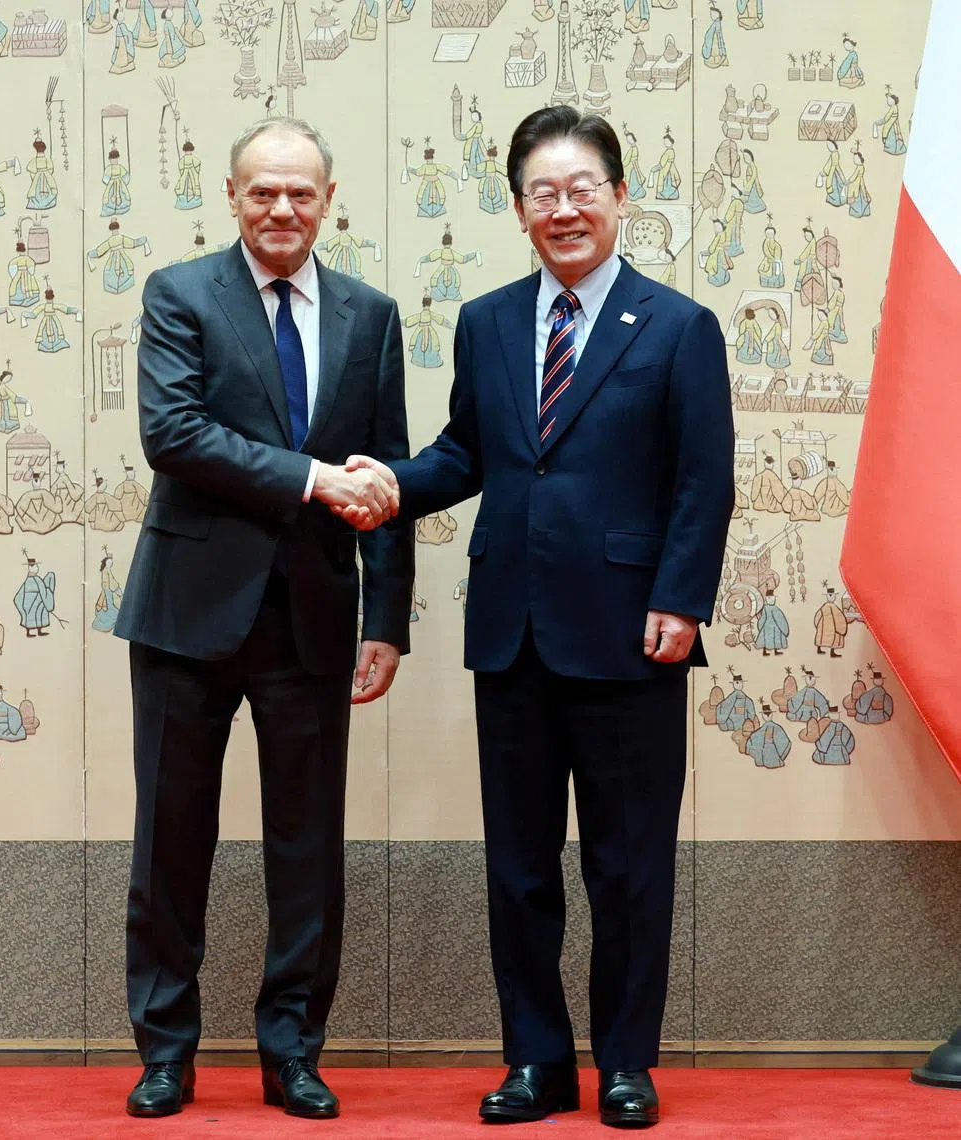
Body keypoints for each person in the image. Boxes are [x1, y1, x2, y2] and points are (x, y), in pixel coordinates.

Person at [346, 109, 732, 1128]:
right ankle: (536, 1062)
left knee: (627, 866)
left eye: (583, 189)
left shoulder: (680, 327)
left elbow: (703, 481)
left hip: (632, 634)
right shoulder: (486, 321)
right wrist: (390, 483)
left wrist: (683, 598)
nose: (564, 210)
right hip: (511, 631)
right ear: (518, 209)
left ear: (618, 195)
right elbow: (467, 454)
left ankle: (625, 1066)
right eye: (542, 194)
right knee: (519, 868)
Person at [114, 117, 413, 1121]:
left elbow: (385, 474)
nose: (281, 210)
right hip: (188, 615)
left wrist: (391, 617)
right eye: (262, 193)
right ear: (232, 195)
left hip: (316, 619)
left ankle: (293, 1049)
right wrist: (312, 478)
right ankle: (165, 1051)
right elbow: (175, 433)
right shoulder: (179, 293)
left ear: (329, 199)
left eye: (301, 194)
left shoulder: (370, 316)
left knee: (307, 849)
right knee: (170, 842)